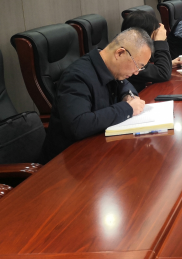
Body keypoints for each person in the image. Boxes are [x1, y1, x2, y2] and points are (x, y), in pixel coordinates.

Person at [40, 28, 153, 163]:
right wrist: (127, 108)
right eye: (137, 65)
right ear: (120, 53)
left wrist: (128, 96)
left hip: (99, 150)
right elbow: (78, 125)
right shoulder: (77, 77)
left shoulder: (109, 65)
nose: (136, 72)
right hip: (69, 160)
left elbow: (124, 83)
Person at [121, 10, 179, 92]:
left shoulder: (128, 45)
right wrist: (160, 42)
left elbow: (152, 61)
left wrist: (170, 63)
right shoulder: (127, 56)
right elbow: (163, 73)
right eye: (153, 34)